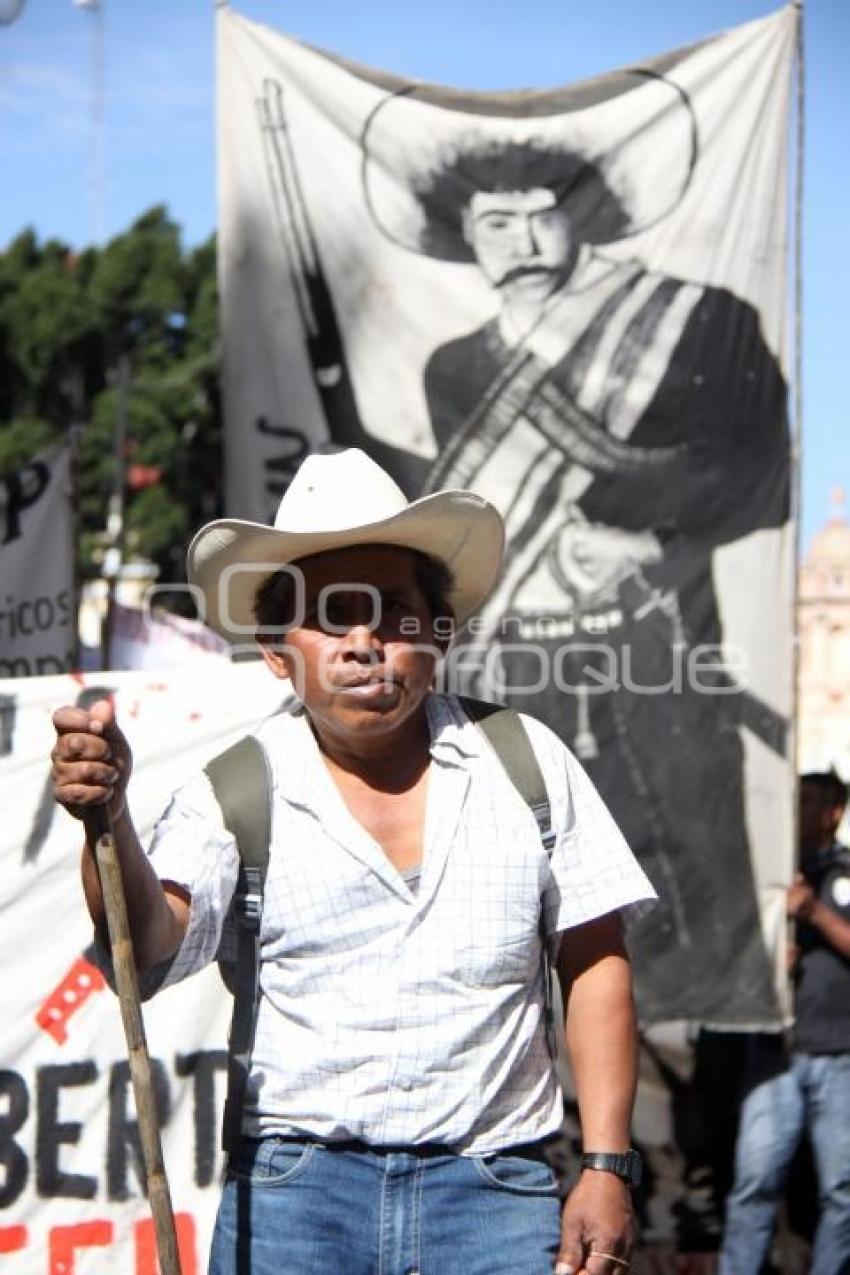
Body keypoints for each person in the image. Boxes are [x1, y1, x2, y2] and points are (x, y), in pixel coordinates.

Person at [52, 447, 657, 1275]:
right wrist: (109, 814)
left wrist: (606, 1165)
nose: (365, 641)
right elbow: (148, 944)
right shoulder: (236, 790)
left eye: (396, 613)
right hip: (296, 1205)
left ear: (439, 635)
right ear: (275, 650)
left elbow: (595, 962)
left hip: (494, 1197)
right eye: (332, 615)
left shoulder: (528, 763)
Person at [396, 136, 790, 1026]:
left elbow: (759, 469)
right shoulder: (453, 365)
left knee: (687, 864)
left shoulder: (696, 319)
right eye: (496, 221)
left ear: (585, 217)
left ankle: (687, 1117)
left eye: (544, 213)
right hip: (513, 665)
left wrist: (646, 535)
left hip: (651, 645)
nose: (523, 240)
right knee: (507, 874)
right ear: (465, 234)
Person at [718, 770, 850, 1275]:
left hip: (838, 1053)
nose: (797, 811)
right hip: (775, 1049)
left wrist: (815, 912)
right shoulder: (769, 876)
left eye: (810, 801)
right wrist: (774, 958)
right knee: (755, 1181)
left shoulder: (839, 874)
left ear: (833, 812)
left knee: (840, 1189)